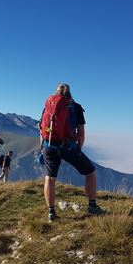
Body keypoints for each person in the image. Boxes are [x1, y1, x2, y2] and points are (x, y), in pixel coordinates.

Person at [40, 83, 105, 222]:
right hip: (68, 146)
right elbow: (81, 134)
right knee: (90, 172)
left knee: (50, 178)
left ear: (55, 93)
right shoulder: (75, 107)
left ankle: (51, 212)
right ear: (70, 93)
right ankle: (92, 206)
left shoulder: (48, 106)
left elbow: (41, 128)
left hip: (48, 145)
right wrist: (78, 150)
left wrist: (43, 147)